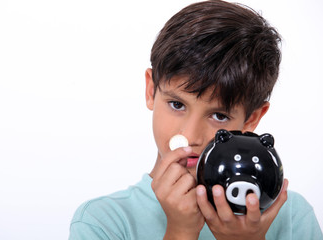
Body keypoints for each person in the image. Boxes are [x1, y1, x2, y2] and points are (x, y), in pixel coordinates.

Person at [69, 1, 323, 239]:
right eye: (177, 104)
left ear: (251, 119)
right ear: (151, 91)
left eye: (219, 116)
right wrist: (180, 232)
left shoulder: (291, 216)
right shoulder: (102, 222)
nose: (190, 136)